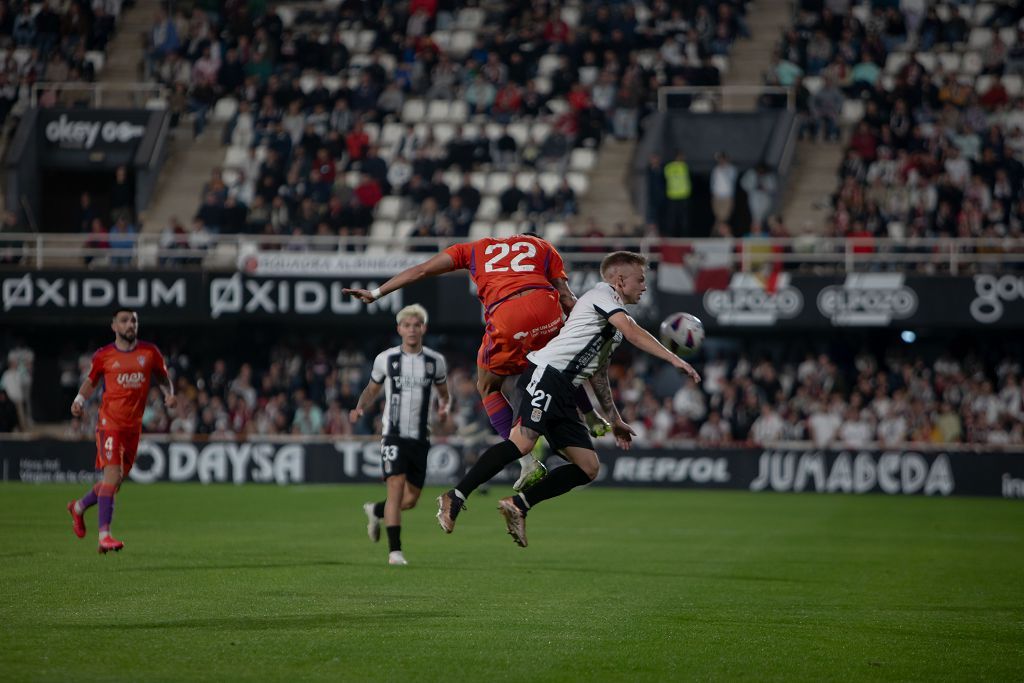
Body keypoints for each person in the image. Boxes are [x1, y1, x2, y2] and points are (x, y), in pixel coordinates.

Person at [435, 252, 701, 547]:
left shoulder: (612, 326)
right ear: (620, 280)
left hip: (563, 389)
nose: (644, 286)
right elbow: (633, 331)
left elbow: (597, 373)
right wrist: (673, 358)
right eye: (641, 279)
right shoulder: (601, 294)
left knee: (588, 467)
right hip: (545, 374)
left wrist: (614, 419)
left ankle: (519, 505)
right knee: (522, 443)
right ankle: (455, 495)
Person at [344, 233, 611, 492]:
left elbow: (423, 270)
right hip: (546, 307)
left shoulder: (473, 249)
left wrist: (377, 292)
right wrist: (588, 327)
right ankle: (590, 415)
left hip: (508, 315)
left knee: (487, 385)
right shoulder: (541, 246)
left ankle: (527, 461)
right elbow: (566, 296)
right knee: (561, 361)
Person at [66, 308, 176, 553]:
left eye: (134, 320)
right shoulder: (104, 355)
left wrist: (170, 393)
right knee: (112, 478)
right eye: (125, 321)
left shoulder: (150, 352)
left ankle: (79, 508)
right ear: (114, 326)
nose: (130, 325)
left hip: (133, 428)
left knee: (113, 484)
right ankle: (104, 536)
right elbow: (91, 380)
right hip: (109, 424)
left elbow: (162, 376)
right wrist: (79, 401)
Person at [350, 304, 451, 566]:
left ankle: (375, 510)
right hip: (393, 435)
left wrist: (444, 408)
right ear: (399, 329)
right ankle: (395, 552)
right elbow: (372, 389)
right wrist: (360, 406)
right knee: (395, 488)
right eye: (407, 325)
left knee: (410, 500)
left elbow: (443, 392)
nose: (412, 330)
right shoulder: (387, 359)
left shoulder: (435, 361)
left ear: (423, 329)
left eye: (416, 325)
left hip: (420, 437)